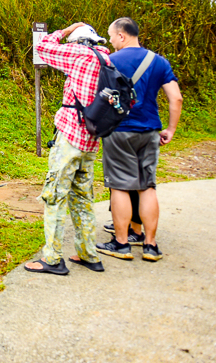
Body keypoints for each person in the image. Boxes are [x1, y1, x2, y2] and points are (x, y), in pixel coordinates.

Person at [23, 22, 110, 276]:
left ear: (77, 41)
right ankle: (88, 254)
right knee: (83, 198)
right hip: (91, 141)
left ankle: (51, 259)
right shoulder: (107, 59)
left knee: (55, 195)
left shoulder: (79, 54)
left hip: (71, 137)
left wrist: (64, 31)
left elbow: (43, 47)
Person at [96, 17, 183, 263]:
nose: (111, 41)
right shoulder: (159, 62)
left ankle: (121, 244)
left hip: (119, 131)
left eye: (112, 36)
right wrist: (170, 129)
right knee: (147, 186)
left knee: (120, 186)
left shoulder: (110, 61)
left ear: (122, 36)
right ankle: (150, 245)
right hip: (150, 131)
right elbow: (175, 98)